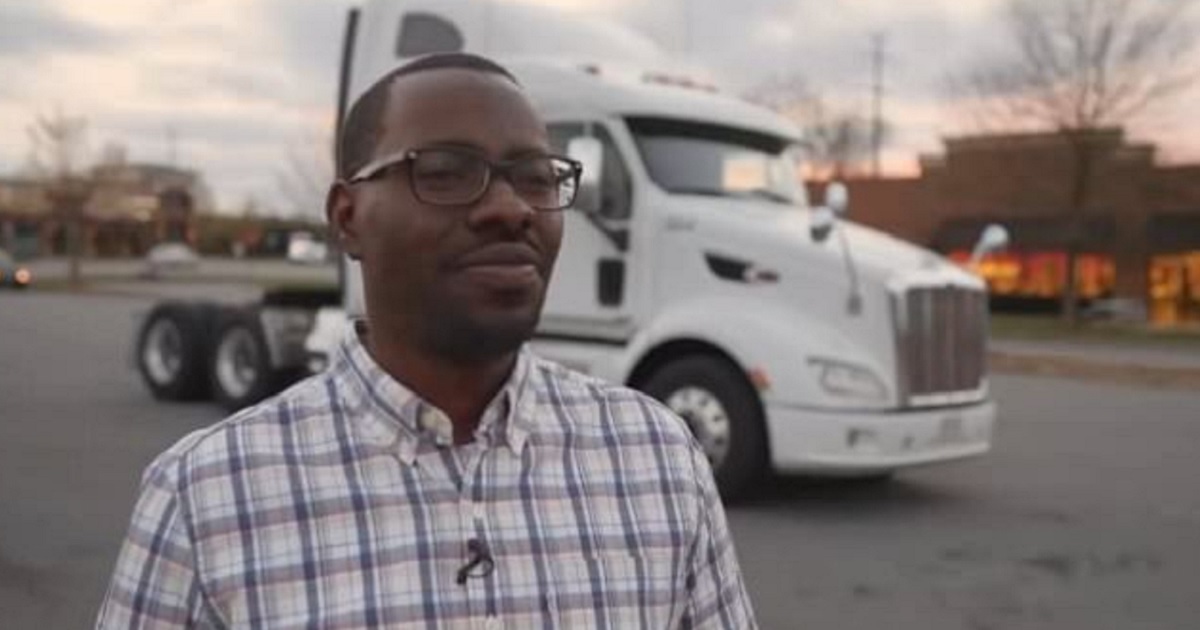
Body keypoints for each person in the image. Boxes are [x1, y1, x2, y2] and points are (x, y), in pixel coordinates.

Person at [96, 52, 757, 629]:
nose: (511, 207)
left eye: (536, 176)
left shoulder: (660, 460)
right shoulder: (206, 496)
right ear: (348, 219)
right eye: (444, 171)